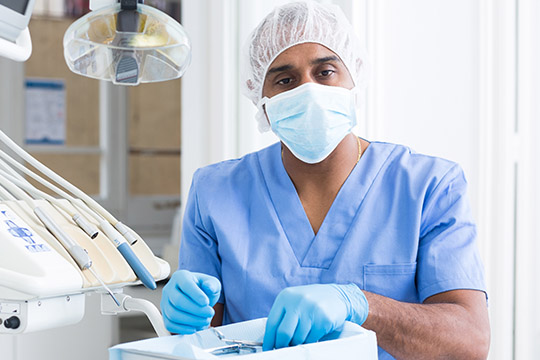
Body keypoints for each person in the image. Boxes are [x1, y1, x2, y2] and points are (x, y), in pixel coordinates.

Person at [160, 1, 490, 359]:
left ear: (354, 78)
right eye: (285, 79)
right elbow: (200, 341)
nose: (308, 90)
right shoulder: (215, 191)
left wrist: (359, 305)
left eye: (325, 72)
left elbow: (469, 342)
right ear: (262, 99)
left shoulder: (428, 186)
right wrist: (187, 318)